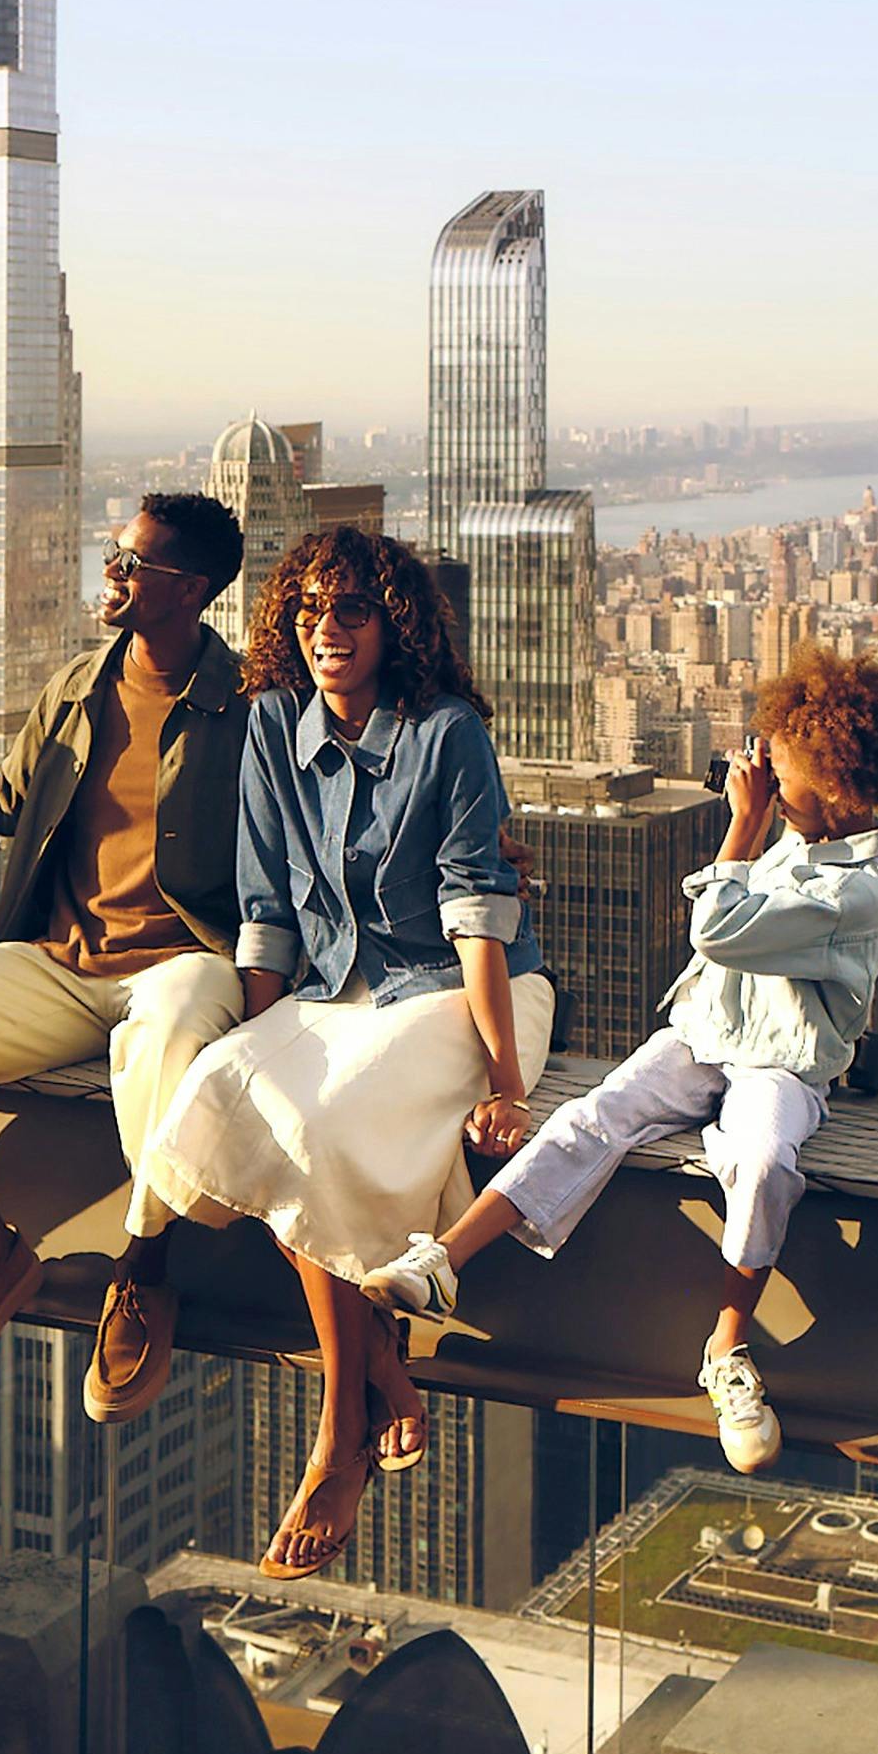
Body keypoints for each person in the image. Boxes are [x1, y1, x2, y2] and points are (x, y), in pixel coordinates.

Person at [361, 648, 878, 1472]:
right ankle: (443, 1259)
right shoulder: (807, 839)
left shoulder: (855, 888)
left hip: (782, 1065)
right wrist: (768, 815)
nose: (758, 775)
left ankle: (726, 1346)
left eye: (781, 768)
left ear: (837, 786)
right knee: (593, 1117)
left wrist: (743, 820)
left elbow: (719, 927)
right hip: (704, 1035)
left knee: (761, 1159)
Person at [135, 524, 551, 1579]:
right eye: (310, 611)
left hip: (463, 990)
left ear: (391, 623)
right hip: (331, 991)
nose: (327, 629)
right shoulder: (273, 722)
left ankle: (335, 1432)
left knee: (315, 1124)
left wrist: (507, 1084)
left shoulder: (446, 732)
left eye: (351, 610)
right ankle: (387, 1376)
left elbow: (478, 916)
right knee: (225, 1095)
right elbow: (268, 907)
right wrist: (260, 1033)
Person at [0, 492, 258, 1414]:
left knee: (170, 1029)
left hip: (185, 956)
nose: (113, 570)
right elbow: (6, 793)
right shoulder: (78, 685)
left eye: (133, 561)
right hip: (60, 959)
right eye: (116, 551)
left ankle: (142, 1269)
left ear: (189, 589)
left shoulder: (251, 705)